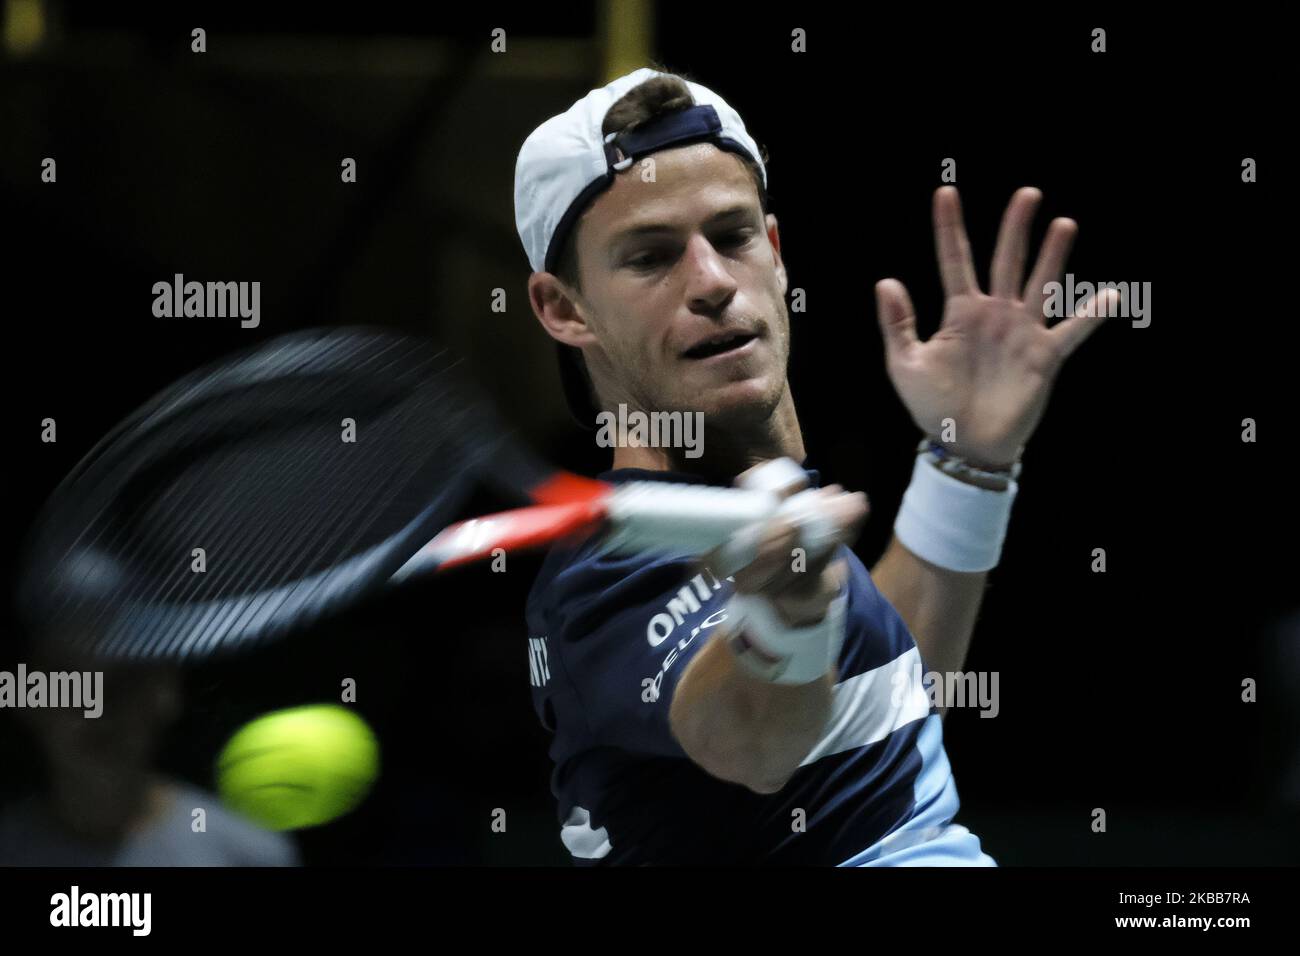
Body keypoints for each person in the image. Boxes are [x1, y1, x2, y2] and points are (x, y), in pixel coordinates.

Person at [514, 67, 1111, 865]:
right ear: (564, 307)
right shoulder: (606, 567)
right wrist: (781, 622)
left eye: (732, 237)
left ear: (776, 247)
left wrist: (967, 467)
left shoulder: (764, 508)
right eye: (651, 257)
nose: (714, 283)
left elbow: (883, 699)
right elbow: (753, 742)